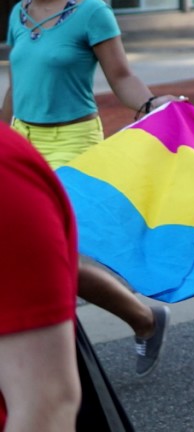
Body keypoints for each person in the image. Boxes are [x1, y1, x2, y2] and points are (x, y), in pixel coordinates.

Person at [1, 0, 181, 377]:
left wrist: (150, 105)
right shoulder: (18, 14)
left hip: (74, 143)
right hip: (24, 142)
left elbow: (121, 76)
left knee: (56, 253)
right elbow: (17, 86)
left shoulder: (92, 11)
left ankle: (144, 317)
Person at [0, 125, 80, 431]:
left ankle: (142, 317)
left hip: (72, 135)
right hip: (28, 130)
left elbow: (47, 405)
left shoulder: (5, 172)